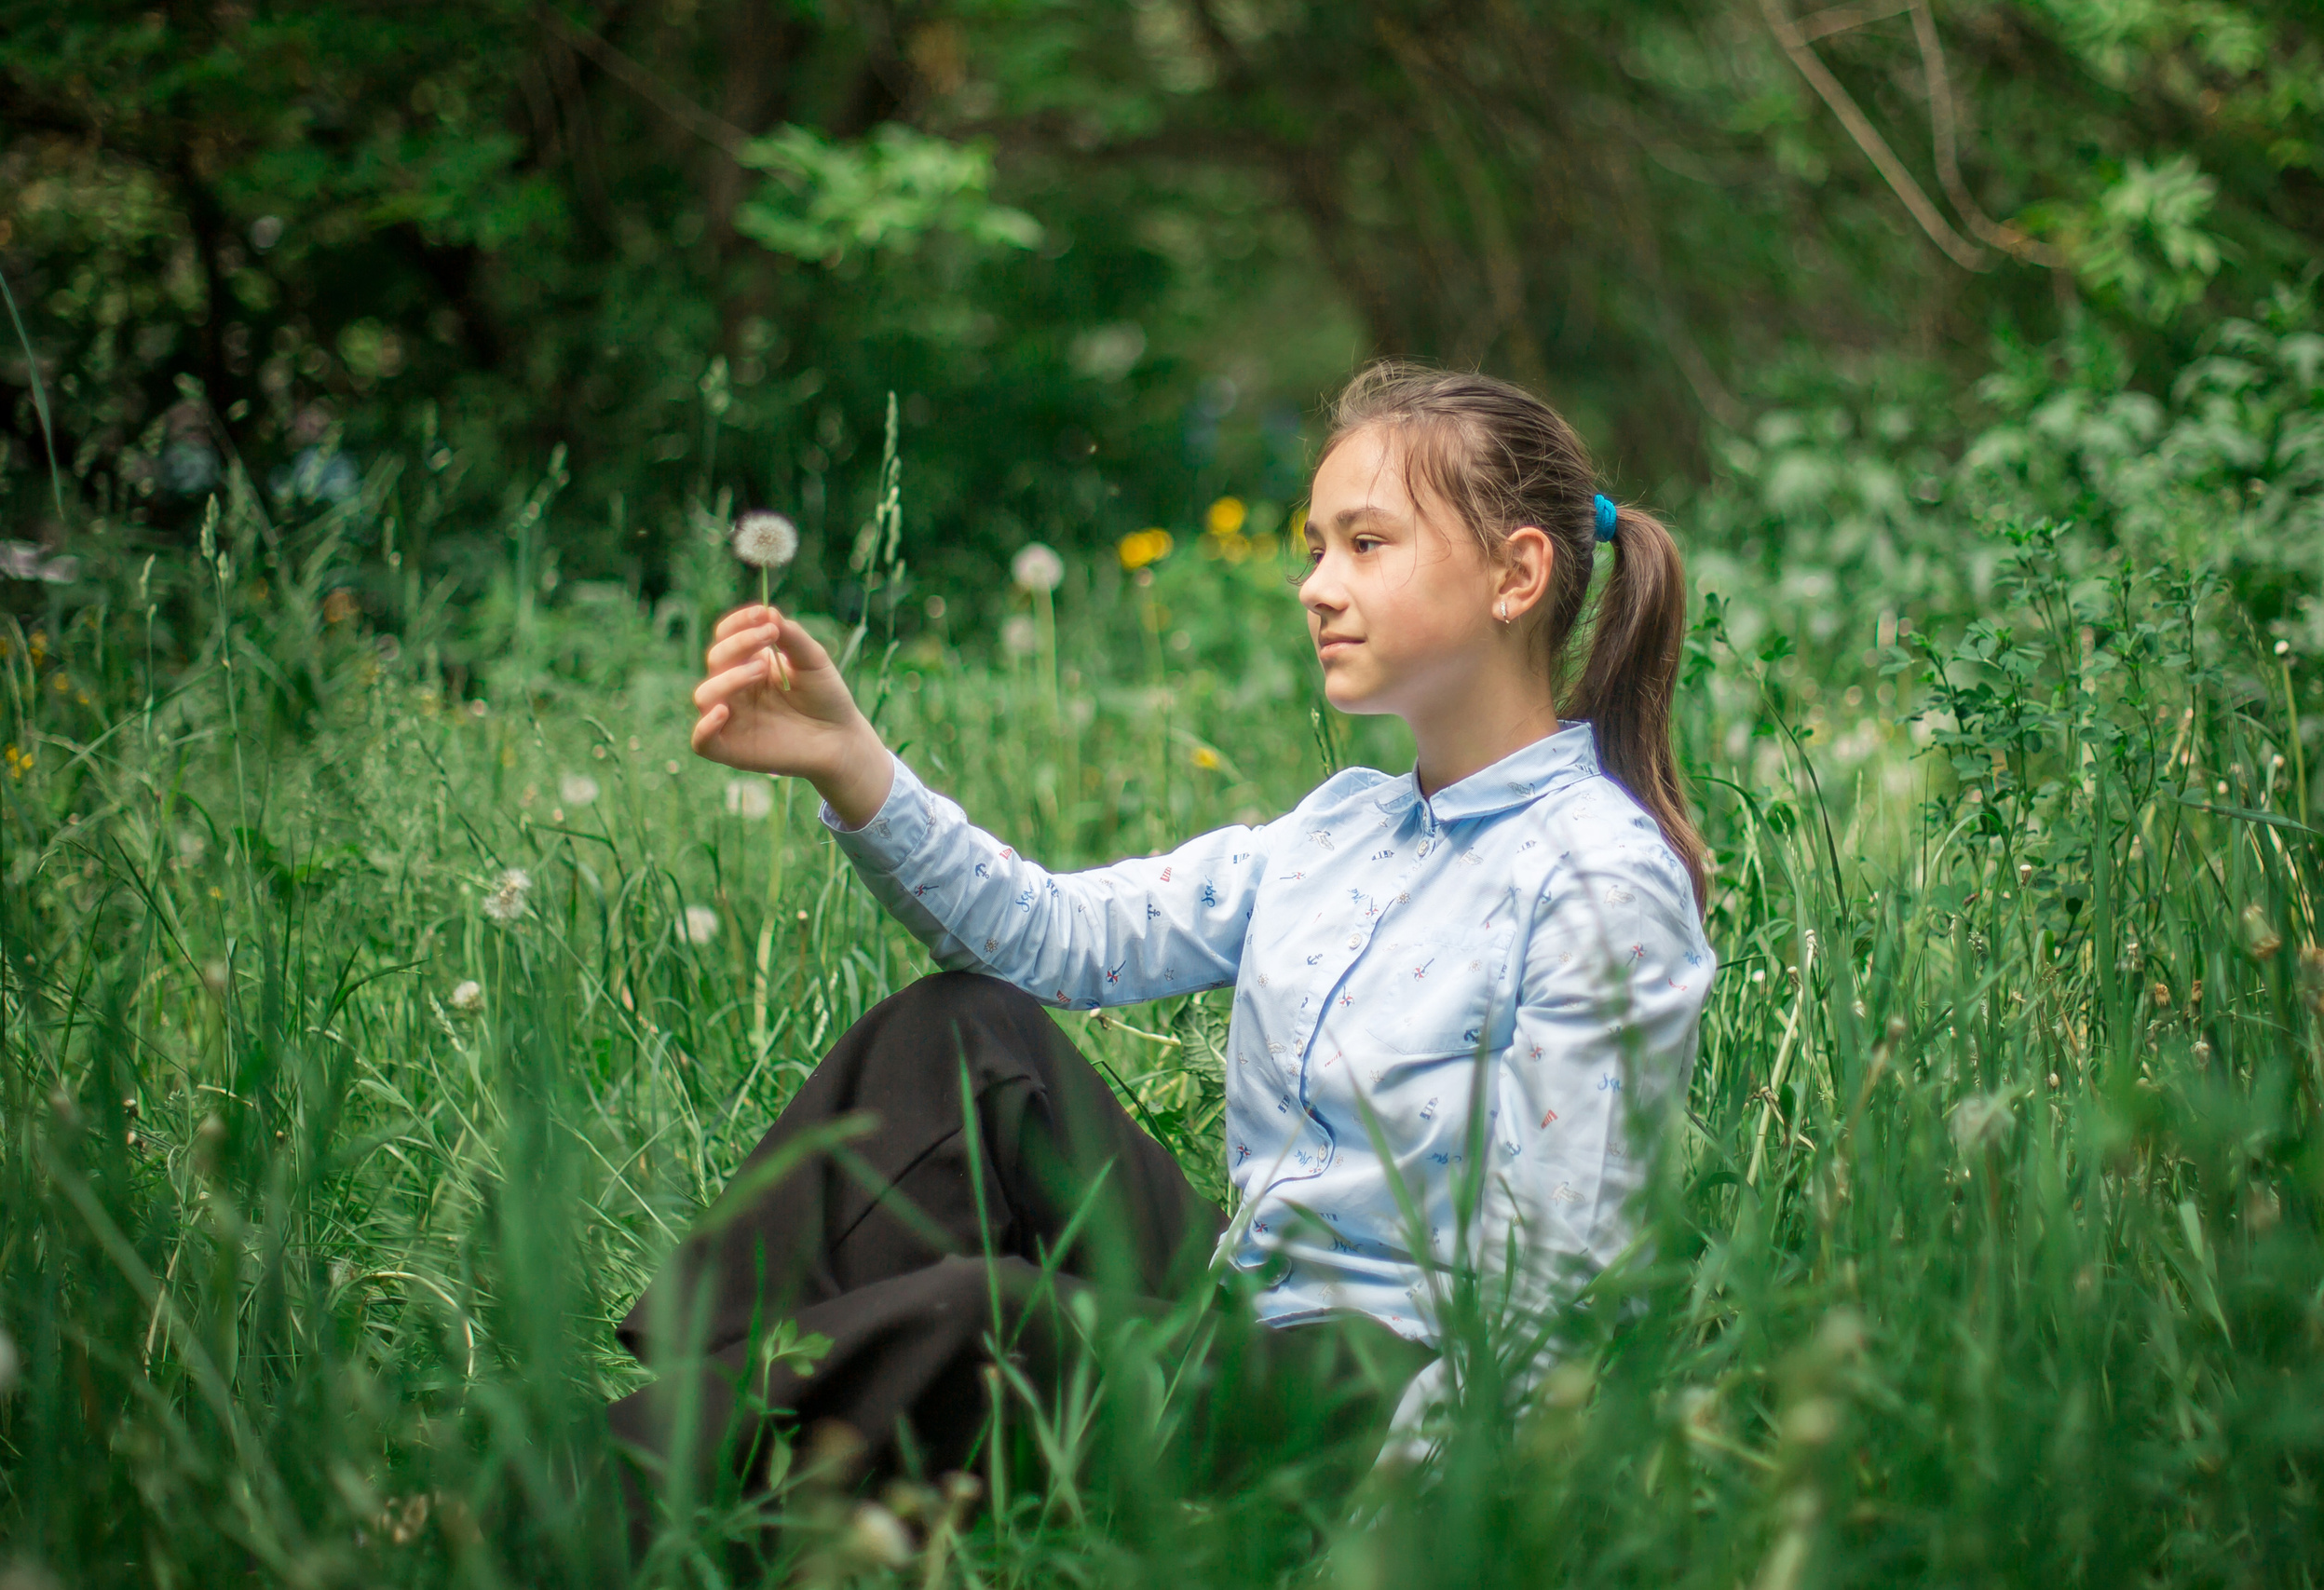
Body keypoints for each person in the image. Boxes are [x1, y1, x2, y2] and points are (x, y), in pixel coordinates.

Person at [607, 361, 1716, 1528]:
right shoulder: (1338, 830)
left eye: (1365, 544)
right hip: (1240, 1321)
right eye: (1313, 546)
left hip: (1373, 1402)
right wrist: (852, 764)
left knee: (996, 1317)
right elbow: (1053, 937)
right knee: (959, 1036)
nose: (1315, 587)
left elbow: (1556, 1290)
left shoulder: (1595, 881)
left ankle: (573, 1500)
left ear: (1516, 573)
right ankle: (719, 1448)